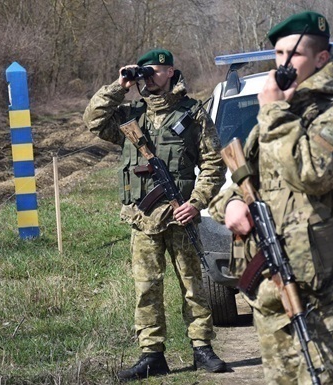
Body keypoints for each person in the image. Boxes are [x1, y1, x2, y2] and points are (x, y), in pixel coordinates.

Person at [208, 11, 333, 385]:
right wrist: (231, 205)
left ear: (322, 59)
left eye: (293, 54)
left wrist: (272, 113)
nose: (283, 63)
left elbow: (312, 174)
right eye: (278, 54)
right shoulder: (277, 117)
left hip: (319, 294)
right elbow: (238, 182)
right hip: (270, 292)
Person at [83, 48, 227, 381]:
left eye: (154, 71)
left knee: (193, 285)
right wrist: (120, 86)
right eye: (143, 71)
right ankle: (152, 354)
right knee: (146, 289)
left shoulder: (192, 114)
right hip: (143, 220)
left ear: (171, 72)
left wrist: (197, 201)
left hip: (181, 216)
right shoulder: (130, 115)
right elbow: (92, 120)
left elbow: (213, 164)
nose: (148, 77)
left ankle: (202, 348)